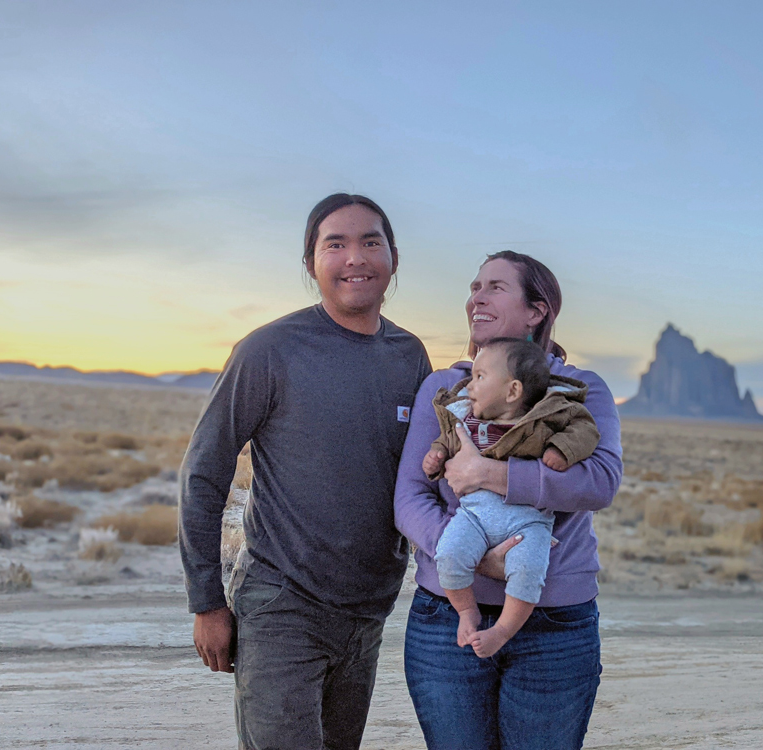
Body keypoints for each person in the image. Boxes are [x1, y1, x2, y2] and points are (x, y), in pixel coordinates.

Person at [179, 193, 432, 750]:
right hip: (282, 605)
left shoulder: (409, 355)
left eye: (371, 241)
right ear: (310, 263)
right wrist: (206, 601)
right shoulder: (270, 350)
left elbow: (423, 475)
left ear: (393, 257)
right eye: (334, 244)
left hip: (368, 611)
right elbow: (204, 471)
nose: (355, 258)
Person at [395, 251, 623, 750]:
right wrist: (473, 556)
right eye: (474, 286)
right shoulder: (444, 390)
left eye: (495, 287)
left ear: (537, 311)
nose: (476, 296)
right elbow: (410, 497)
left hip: (555, 624)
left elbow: (601, 479)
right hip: (446, 620)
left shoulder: (580, 391)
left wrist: (491, 474)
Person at [423, 337, 600, 658]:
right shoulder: (466, 420)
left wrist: (562, 450)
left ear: (513, 391)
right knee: (448, 555)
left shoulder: (546, 417)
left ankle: (502, 631)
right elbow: (445, 441)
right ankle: (467, 612)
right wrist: (436, 456)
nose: (469, 386)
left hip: (528, 521)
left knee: (528, 571)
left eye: (480, 377)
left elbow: (585, 430)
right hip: (474, 515)